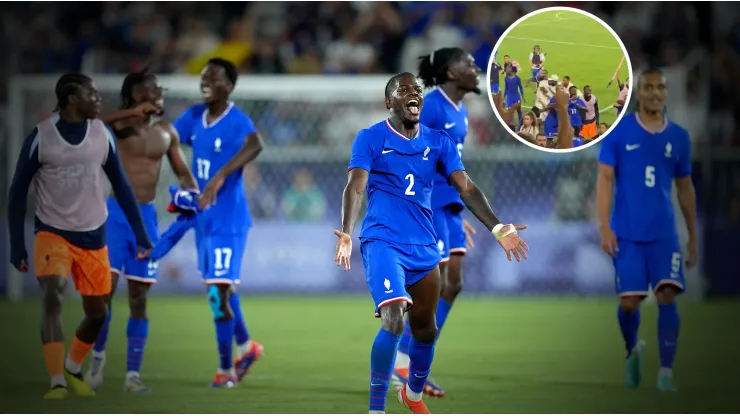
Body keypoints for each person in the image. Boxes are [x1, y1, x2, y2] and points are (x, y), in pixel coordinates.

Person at [333, 72, 529, 414]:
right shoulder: (370, 138)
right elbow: (356, 186)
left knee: (425, 330)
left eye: (417, 89)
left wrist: (498, 228)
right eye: (403, 89)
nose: (413, 93)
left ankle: (412, 394)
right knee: (393, 317)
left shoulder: (439, 142)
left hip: (424, 245)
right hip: (382, 241)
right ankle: (375, 409)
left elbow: (466, 188)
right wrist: (347, 230)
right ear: (389, 101)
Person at [7, 73, 152, 399]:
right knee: (52, 295)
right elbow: (17, 192)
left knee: (98, 311)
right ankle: (57, 380)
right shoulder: (41, 137)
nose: (99, 99)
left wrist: (141, 234)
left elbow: (123, 188)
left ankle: (73, 366)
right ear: (72, 99)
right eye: (92, 94)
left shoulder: (101, 134)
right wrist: (17, 244)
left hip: (92, 235)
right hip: (52, 232)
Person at [85, 69, 199, 393]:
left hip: (147, 218)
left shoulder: (167, 132)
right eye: (153, 88)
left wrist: (192, 194)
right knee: (104, 292)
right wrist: (131, 113)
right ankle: (98, 358)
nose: (160, 92)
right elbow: (92, 123)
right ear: (136, 95)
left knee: (139, 297)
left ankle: (132, 376)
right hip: (116, 216)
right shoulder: (119, 126)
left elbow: (183, 173)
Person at [596, 68, 698, 392]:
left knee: (667, 295)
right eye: (649, 88)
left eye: (661, 88)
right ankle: (632, 348)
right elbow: (605, 180)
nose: (656, 93)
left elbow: (685, 187)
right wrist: (604, 227)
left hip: (664, 234)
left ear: (666, 93)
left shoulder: (679, 137)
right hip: (626, 232)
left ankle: (666, 372)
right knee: (629, 303)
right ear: (638, 94)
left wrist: (692, 236)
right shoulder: (618, 132)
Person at [388, 47, 479, 399]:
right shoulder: (434, 107)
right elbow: (411, 151)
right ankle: (405, 363)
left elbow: (449, 164)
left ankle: (409, 361)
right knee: (434, 285)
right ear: (449, 73)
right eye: (468, 64)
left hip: (448, 206)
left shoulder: (461, 111)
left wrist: (458, 209)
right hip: (427, 206)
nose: (475, 68)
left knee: (453, 283)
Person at [173, 57, 265, 388]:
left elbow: (257, 143)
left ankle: (226, 370)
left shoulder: (237, 120)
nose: (204, 83)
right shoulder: (194, 117)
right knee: (220, 288)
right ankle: (247, 347)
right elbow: (170, 139)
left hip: (228, 219)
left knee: (217, 293)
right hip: (202, 220)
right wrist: (184, 175)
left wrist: (220, 175)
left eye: (212, 78)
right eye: (202, 78)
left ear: (228, 85)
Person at [503, 64, 524, 129]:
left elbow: (520, 87)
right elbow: (506, 88)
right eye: (506, 69)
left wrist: (522, 96)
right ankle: (512, 125)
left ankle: (520, 125)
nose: (506, 70)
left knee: (519, 110)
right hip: (509, 97)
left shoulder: (517, 78)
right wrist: (504, 96)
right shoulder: (506, 79)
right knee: (510, 112)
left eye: (507, 69)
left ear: (511, 70)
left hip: (516, 96)